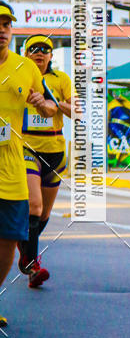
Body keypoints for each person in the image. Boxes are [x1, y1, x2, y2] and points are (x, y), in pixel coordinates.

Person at [0, 3, 57, 325]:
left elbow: (49, 106)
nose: (1, 29)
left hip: (11, 163)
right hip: (25, 157)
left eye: (6, 24)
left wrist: (42, 104)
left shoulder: (25, 68)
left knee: (9, 237)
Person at [19, 35, 73, 288]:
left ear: (51, 55)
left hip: (55, 150)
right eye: (33, 49)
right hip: (26, 148)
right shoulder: (18, 76)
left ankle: (23, 249)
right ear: (25, 53)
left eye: (45, 49)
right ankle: (32, 265)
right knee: (34, 206)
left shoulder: (61, 79)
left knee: (44, 214)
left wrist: (56, 103)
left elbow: (78, 112)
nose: (39, 53)